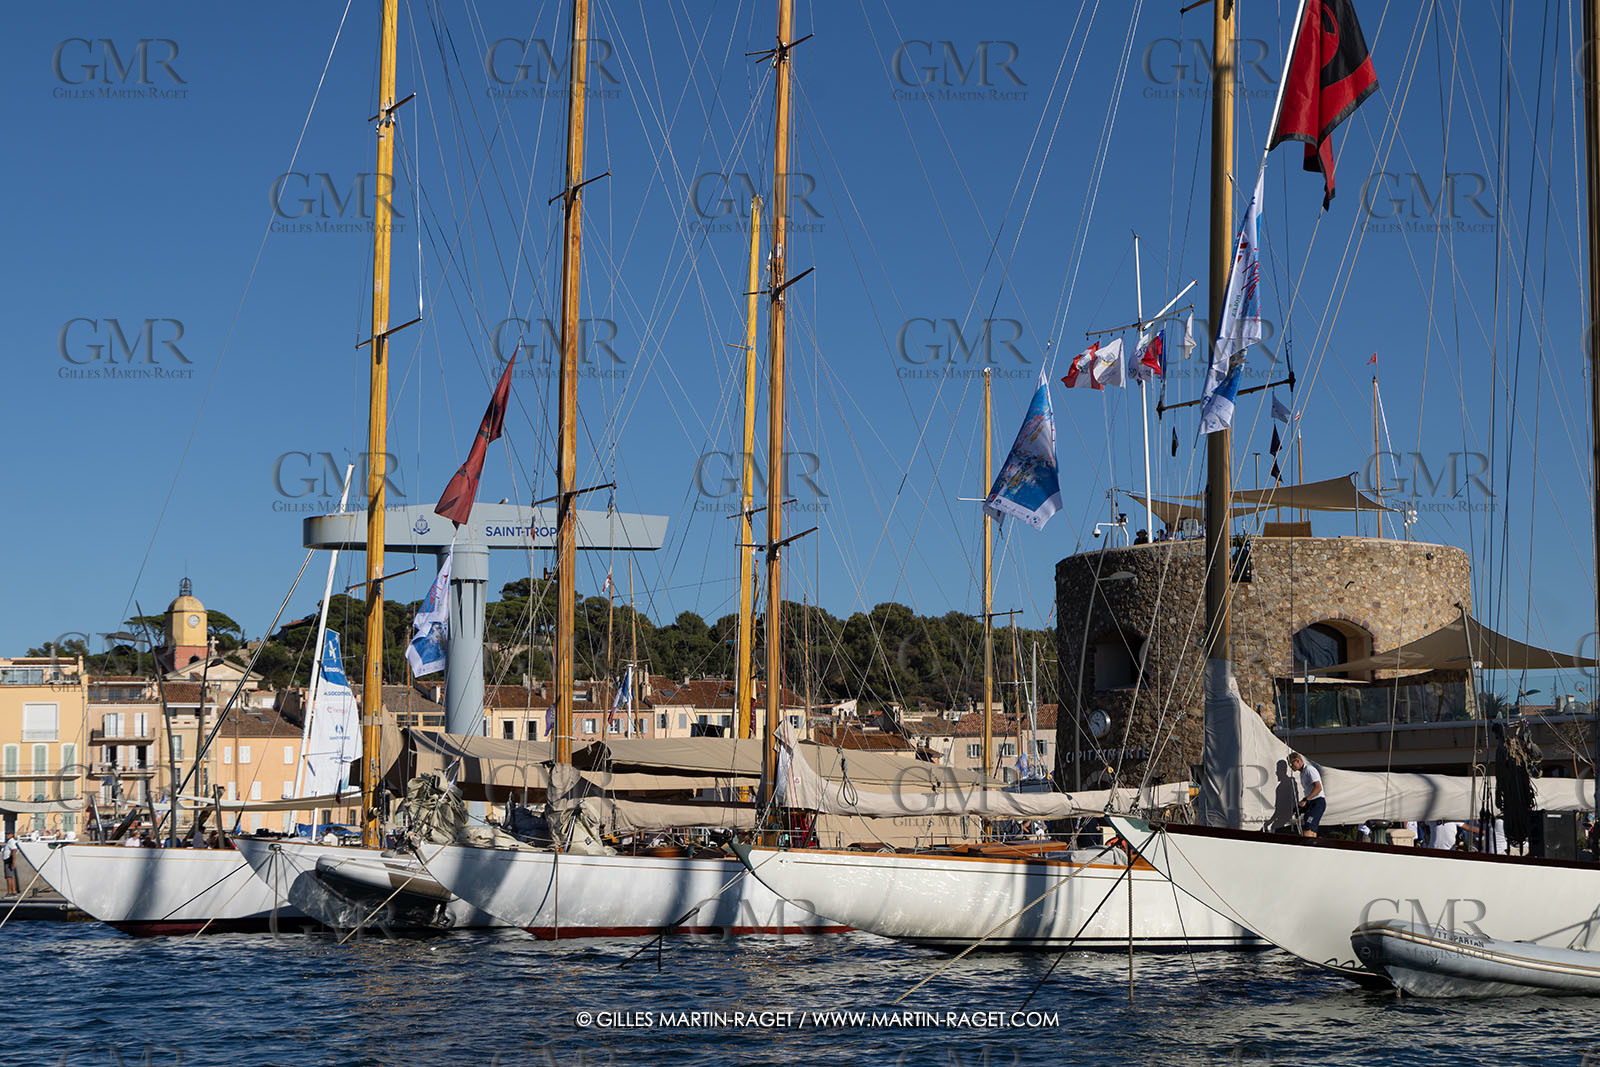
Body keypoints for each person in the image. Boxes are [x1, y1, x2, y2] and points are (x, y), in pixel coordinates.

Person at [1288, 752, 1325, 837]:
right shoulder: (1302, 773)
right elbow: (1309, 790)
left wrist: (1305, 800)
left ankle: (1307, 846)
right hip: (1311, 803)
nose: (1290, 766)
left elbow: (1318, 788)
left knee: (1308, 827)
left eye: (1291, 763)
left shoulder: (1309, 769)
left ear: (1298, 761)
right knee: (1311, 829)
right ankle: (1313, 846)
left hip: (1318, 802)